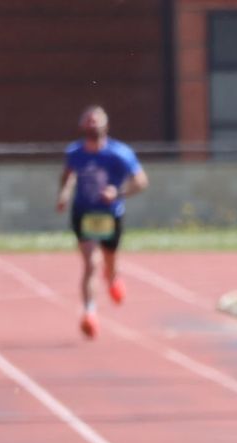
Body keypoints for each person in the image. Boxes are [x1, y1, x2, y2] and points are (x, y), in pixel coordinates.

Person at [56, 105, 147, 340]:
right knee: (90, 264)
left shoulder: (119, 153)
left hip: (109, 214)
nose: (92, 124)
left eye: (96, 120)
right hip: (84, 212)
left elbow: (141, 181)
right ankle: (90, 313)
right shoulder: (75, 152)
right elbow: (68, 175)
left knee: (109, 262)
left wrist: (118, 192)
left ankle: (113, 277)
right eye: (88, 120)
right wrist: (64, 194)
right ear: (82, 125)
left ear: (106, 125)